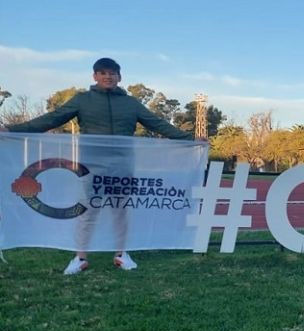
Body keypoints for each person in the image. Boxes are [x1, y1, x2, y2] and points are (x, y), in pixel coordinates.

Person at [0, 57, 194, 274]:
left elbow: (157, 123)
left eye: (112, 73)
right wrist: (12, 130)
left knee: (120, 210)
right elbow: (53, 119)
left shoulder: (131, 103)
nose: (108, 76)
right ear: (95, 76)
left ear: (119, 77)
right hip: (91, 165)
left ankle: (122, 254)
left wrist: (189, 139)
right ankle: (80, 257)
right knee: (88, 210)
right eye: (102, 73)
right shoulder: (82, 100)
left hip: (122, 164)